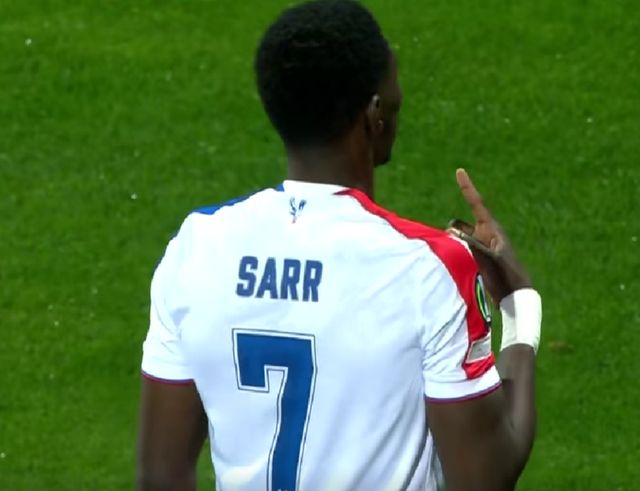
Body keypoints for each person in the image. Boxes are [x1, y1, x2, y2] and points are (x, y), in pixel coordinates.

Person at [136, 1, 542, 490]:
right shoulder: (428, 266)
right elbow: (486, 477)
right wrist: (520, 305)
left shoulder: (196, 248)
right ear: (374, 113)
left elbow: (160, 476)